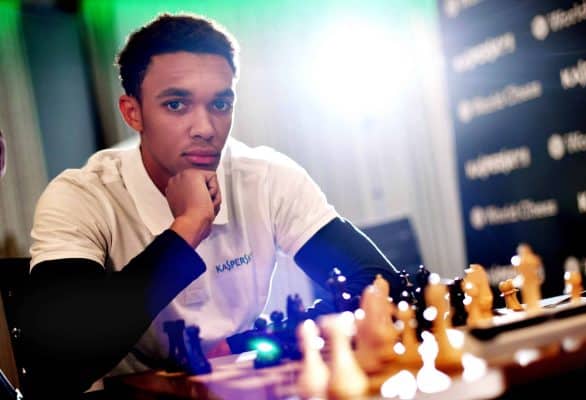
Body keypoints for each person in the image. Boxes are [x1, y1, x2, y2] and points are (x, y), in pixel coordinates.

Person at [21, 13, 403, 397]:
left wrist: (243, 345)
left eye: (220, 104)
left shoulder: (267, 176)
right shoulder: (80, 195)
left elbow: (380, 288)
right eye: (176, 105)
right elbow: (57, 360)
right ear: (132, 112)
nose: (205, 128)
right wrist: (185, 228)